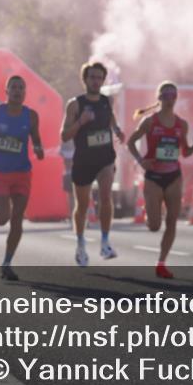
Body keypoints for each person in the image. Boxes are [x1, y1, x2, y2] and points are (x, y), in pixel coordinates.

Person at [126, 81, 193, 278]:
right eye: (166, 95)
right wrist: (141, 160)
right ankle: (149, 212)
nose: (170, 99)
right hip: (153, 177)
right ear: (159, 98)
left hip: (173, 176)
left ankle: (161, 263)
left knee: (172, 221)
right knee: (154, 226)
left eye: (173, 95)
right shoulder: (150, 122)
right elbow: (131, 142)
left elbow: (184, 153)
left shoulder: (182, 124)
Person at [0, 76, 45, 281]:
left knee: (17, 218)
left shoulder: (31, 116)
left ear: (25, 92)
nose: (17, 91)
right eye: (14, 87)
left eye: (21, 88)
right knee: (4, 216)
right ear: (6, 91)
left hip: (22, 173)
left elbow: (36, 139)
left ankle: (7, 263)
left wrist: (38, 149)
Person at [60, 62, 126, 267]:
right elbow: (64, 135)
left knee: (106, 197)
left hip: (105, 158)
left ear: (103, 80)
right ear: (85, 80)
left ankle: (105, 242)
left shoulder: (107, 101)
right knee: (82, 205)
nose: (96, 81)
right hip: (83, 160)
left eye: (99, 78)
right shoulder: (75, 104)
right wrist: (81, 121)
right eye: (92, 77)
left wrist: (117, 131)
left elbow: (111, 119)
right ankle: (80, 244)